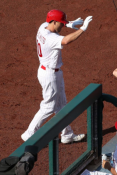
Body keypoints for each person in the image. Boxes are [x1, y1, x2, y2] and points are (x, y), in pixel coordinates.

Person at [21, 10, 93, 143]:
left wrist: (69, 24)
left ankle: (67, 134)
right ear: (54, 22)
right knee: (49, 106)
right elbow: (66, 40)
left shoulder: (43, 27)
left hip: (49, 71)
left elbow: (55, 27)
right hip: (50, 75)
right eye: (62, 23)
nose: (62, 26)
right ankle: (29, 133)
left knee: (61, 104)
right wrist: (82, 29)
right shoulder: (51, 38)